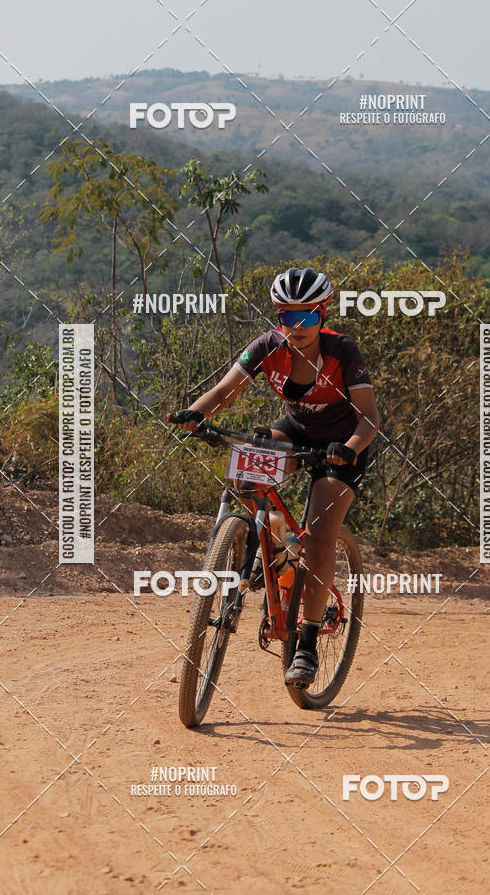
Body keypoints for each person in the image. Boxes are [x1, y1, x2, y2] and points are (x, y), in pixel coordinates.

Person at [175, 267, 379, 686]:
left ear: (323, 315)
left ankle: (305, 642)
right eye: (289, 317)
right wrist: (195, 413)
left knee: (321, 536)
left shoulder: (344, 352)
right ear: (278, 317)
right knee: (248, 476)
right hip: (296, 433)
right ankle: (278, 550)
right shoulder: (268, 347)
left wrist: (350, 449)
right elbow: (224, 390)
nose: (298, 327)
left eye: (308, 317)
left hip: (342, 447)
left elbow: (370, 419)